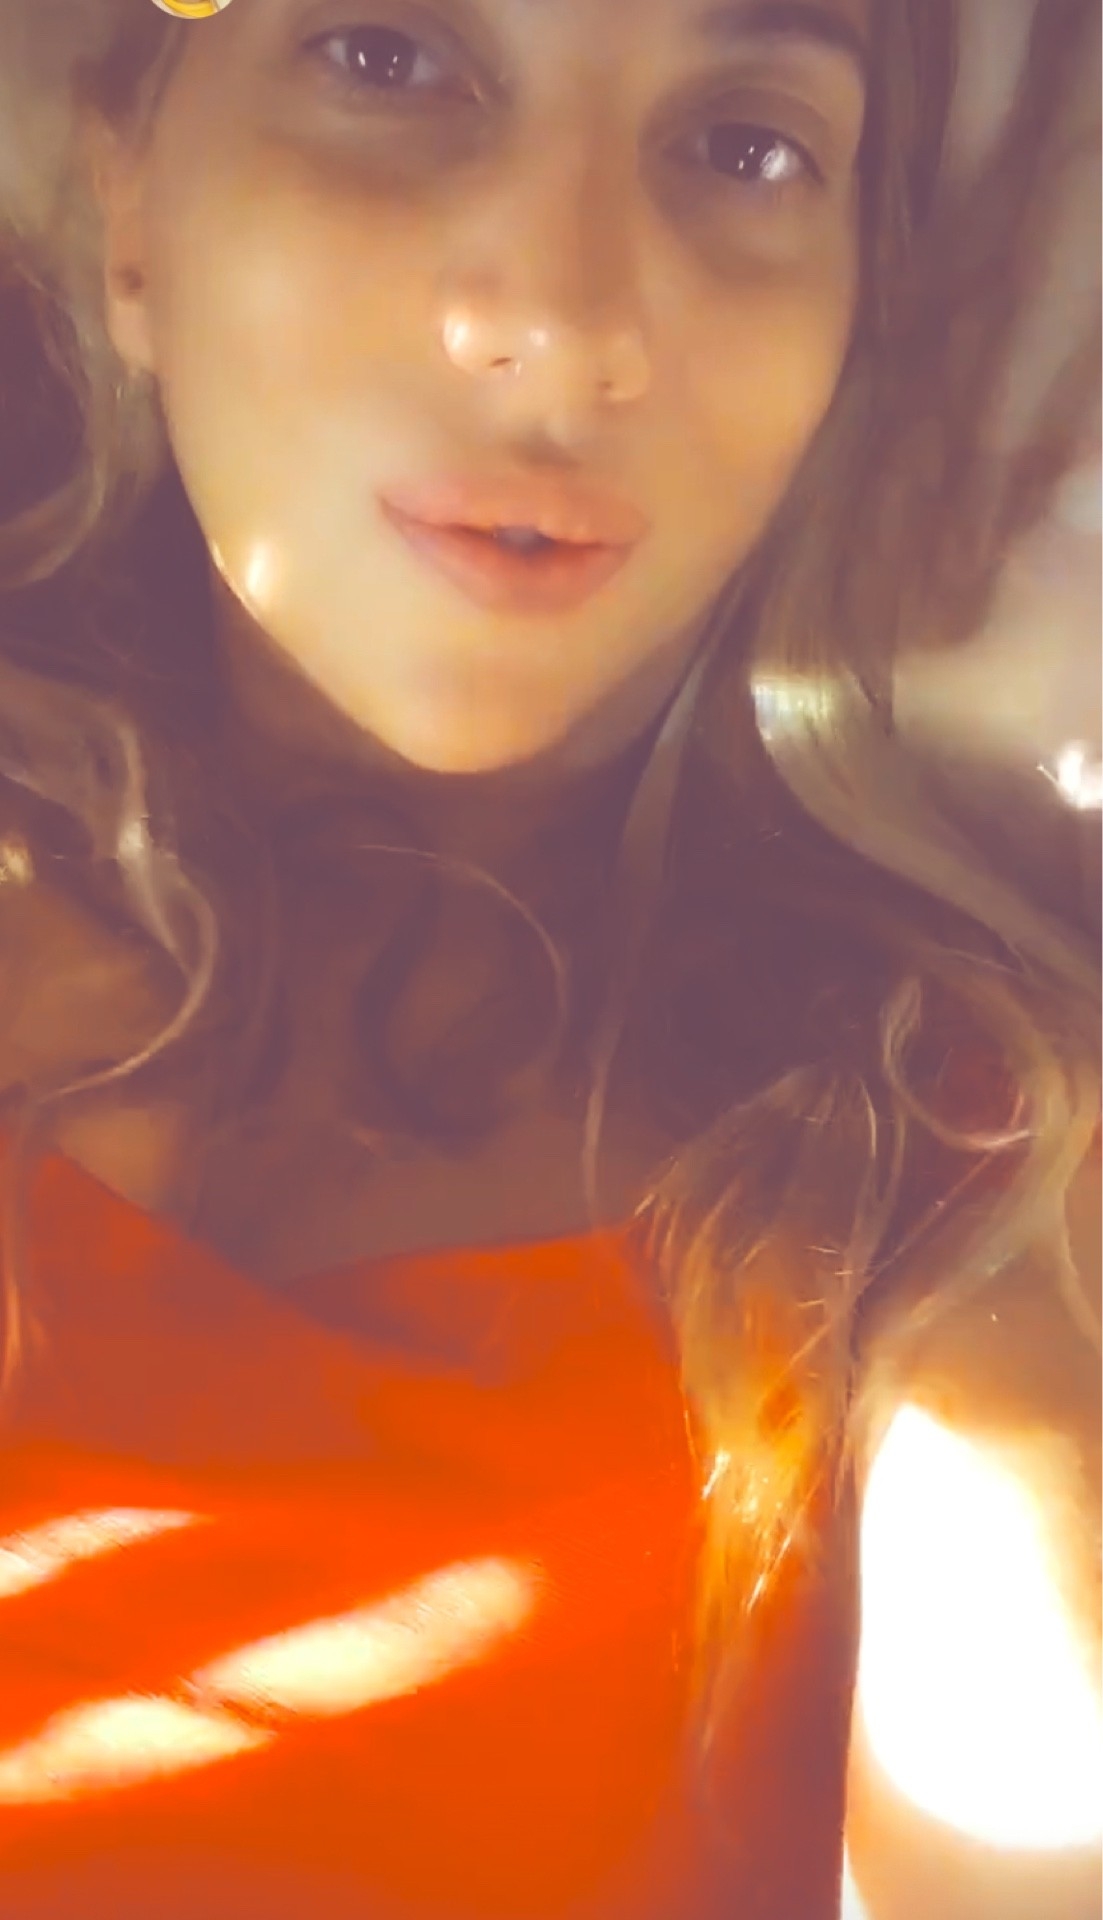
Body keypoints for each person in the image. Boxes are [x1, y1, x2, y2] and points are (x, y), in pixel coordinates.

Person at [0, 2, 1097, 1916]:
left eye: (748, 146)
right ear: (131, 212)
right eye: (387, 58)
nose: (570, 322)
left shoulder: (960, 1178)